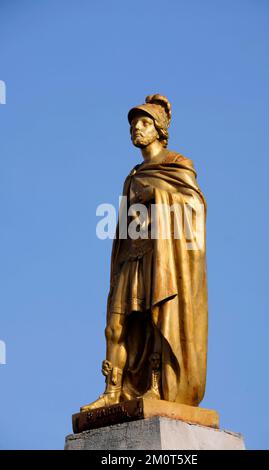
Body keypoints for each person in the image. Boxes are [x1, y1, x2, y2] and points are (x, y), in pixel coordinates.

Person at [81, 94, 208, 411]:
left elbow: (194, 206)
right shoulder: (133, 175)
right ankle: (112, 390)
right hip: (131, 256)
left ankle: (156, 386)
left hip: (160, 257)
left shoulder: (177, 165)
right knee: (116, 326)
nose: (136, 128)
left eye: (144, 122)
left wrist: (158, 194)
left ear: (159, 129)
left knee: (155, 321)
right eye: (133, 124)